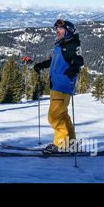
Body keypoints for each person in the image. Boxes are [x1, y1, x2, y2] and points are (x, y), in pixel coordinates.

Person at [33, 19, 84, 153]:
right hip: (57, 85)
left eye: (61, 29)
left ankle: (61, 145)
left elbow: (78, 60)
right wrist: (41, 65)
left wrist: (73, 69)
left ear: (68, 32)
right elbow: (54, 60)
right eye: (57, 29)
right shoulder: (61, 45)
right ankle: (72, 144)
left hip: (62, 86)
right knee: (62, 115)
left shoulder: (71, 46)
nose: (58, 31)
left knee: (54, 116)